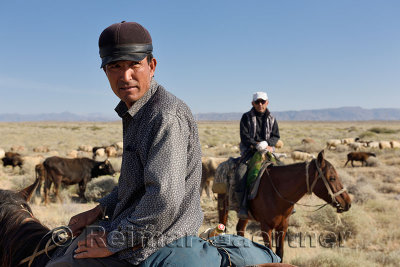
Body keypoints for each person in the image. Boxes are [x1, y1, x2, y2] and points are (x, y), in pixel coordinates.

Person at [236, 92, 280, 219]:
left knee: (283, 170)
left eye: (263, 102)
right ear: (253, 103)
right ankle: (242, 206)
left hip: (267, 151)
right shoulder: (246, 117)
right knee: (240, 174)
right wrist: (255, 144)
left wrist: (268, 144)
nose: (260, 104)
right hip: (250, 152)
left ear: (267, 102)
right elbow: (244, 136)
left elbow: (276, 136)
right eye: (257, 102)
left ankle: (285, 204)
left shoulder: (272, 118)